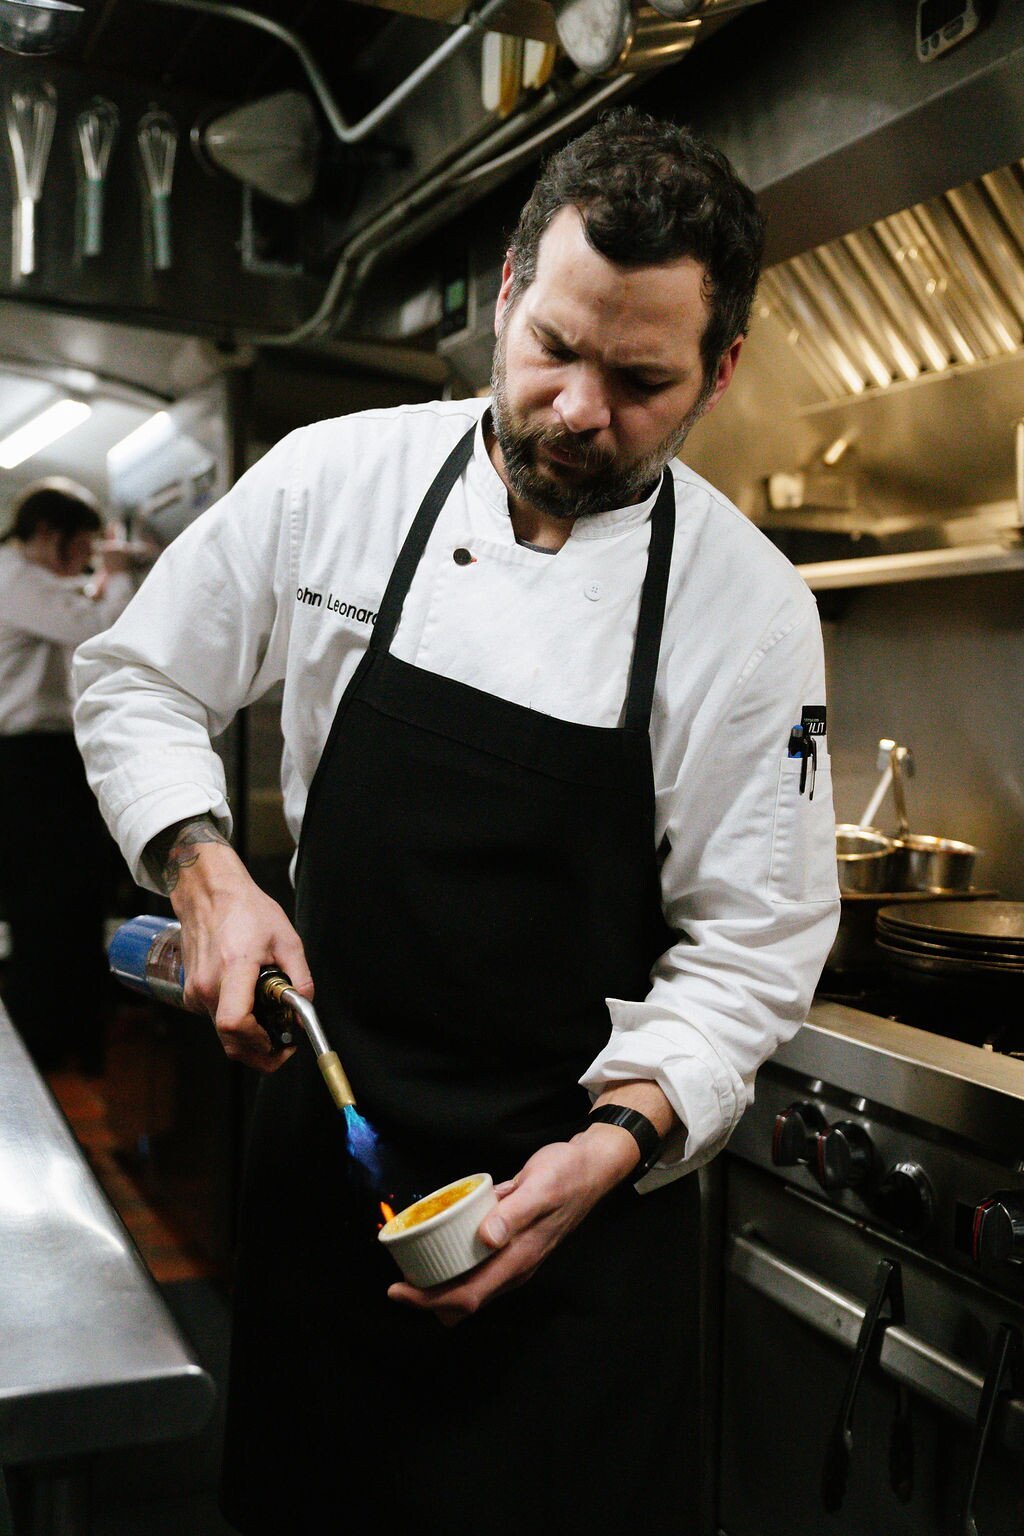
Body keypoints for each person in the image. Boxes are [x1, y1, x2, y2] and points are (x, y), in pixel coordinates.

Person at [74, 109, 840, 1535]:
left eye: (640, 380)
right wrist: (206, 866)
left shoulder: (750, 612)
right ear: (505, 293)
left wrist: (617, 1145)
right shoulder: (337, 480)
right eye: (552, 345)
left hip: (581, 1216)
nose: (576, 409)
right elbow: (135, 678)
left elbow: (754, 945)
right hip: (329, 1178)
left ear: (721, 372)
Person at [0, 479, 137, 1073]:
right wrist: (123, 571)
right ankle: (49, 1047)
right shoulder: (16, 580)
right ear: (50, 536)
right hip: (31, 764)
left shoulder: (23, 579)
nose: (86, 560)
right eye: (82, 546)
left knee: (59, 902)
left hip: (38, 762)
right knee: (50, 905)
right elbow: (104, 630)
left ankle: (62, 1038)